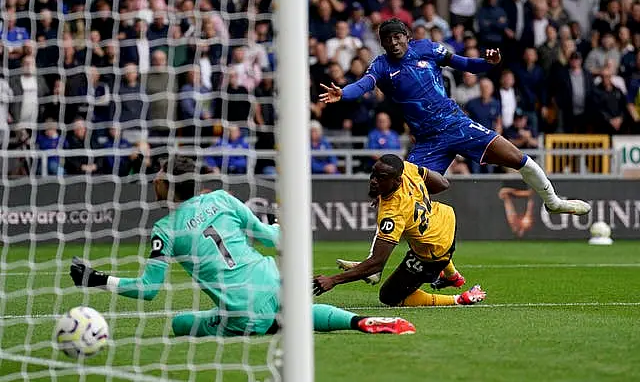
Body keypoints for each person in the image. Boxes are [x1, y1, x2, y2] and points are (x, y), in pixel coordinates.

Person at [70, 156, 415, 336]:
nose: (155, 179)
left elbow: (148, 290)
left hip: (240, 311)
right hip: (275, 282)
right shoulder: (222, 198)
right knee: (289, 312)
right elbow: (273, 239)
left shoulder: (165, 229)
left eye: (159, 175)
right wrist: (281, 224)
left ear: (167, 186)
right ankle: (357, 321)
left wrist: (97, 279)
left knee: (180, 324)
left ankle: (271, 323)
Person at [319, 18, 590, 216]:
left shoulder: (427, 49)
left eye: (397, 37)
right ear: (382, 43)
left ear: (407, 36)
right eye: (387, 39)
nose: (393, 42)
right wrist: (343, 92)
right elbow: (364, 84)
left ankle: (553, 202)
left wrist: (488, 63)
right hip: (427, 140)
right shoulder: (380, 65)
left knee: (520, 159)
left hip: (457, 124)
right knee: (397, 193)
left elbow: (467, 64)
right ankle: (375, 262)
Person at [314, 154, 486, 308]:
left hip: (434, 251)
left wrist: (333, 280)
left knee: (389, 296)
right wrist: (414, 191)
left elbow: (376, 263)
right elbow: (443, 183)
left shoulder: (393, 214)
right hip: (446, 217)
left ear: (396, 181)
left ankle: (461, 299)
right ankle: (453, 277)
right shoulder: (407, 168)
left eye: (381, 178)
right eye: (373, 173)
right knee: (419, 238)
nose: (373, 180)